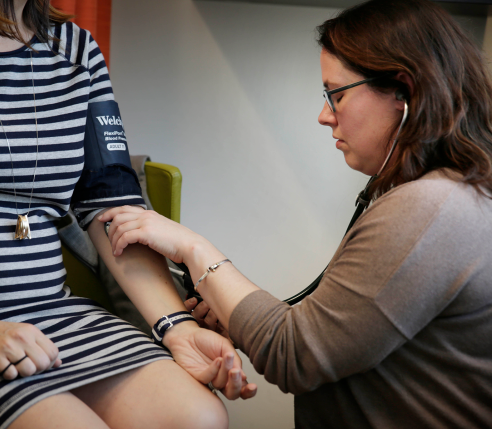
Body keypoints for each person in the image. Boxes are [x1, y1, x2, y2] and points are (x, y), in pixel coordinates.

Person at [0, 0, 257, 428]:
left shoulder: (77, 51)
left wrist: (176, 327)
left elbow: (112, 208)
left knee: (197, 418)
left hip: (49, 315)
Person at [99, 0, 492, 427]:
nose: (325, 116)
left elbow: (296, 355)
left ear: (404, 92)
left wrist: (194, 248)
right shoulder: (458, 196)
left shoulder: (430, 209)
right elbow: (330, 333)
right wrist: (237, 315)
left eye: (336, 94)